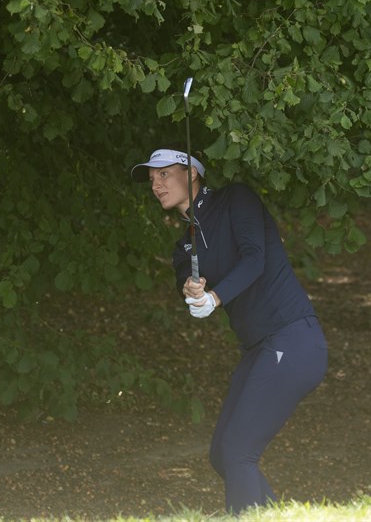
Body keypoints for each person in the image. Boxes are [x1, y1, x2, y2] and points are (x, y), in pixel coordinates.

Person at [131, 147, 328, 513]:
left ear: (191, 173)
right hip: (259, 348)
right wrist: (192, 291)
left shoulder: (236, 199)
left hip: (293, 338)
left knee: (238, 451)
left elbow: (255, 258)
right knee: (223, 454)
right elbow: (185, 280)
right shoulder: (184, 245)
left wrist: (215, 297)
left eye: (164, 174)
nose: (156, 184)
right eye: (152, 179)